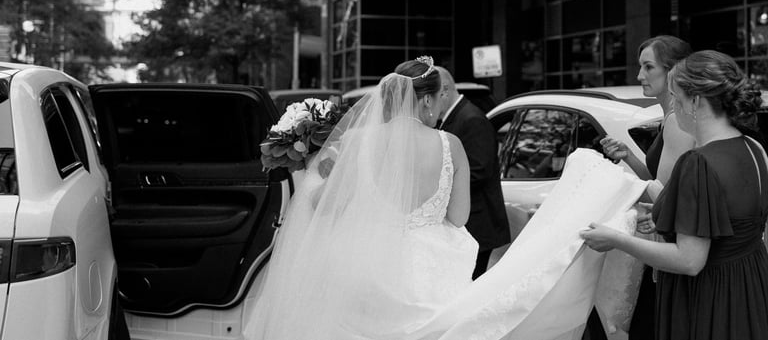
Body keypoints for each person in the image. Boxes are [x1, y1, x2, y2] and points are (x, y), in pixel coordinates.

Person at [243, 55, 649, 340]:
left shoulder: (357, 142)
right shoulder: (448, 144)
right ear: (424, 99)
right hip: (430, 267)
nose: (439, 108)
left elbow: (324, 206)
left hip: (366, 264)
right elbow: (457, 217)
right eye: (438, 99)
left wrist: (318, 176)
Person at [581, 50, 768, 340]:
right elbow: (734, 221)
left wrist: (616, 240)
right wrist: (666, 219)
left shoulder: (699, 163)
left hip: (709, 299)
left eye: (675, 97)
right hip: (750, 288)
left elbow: (689, 260)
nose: (673, 108)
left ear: (695, 101)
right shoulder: (756, 150)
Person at [599, 34, 695, 339]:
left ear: (673, 70)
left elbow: (662, 193)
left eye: (648, 67)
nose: (640, 75)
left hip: (674, 240)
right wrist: (628, 157)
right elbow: (658, 182)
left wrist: (602, 183)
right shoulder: (668, 118)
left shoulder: (677, 121)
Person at [436, 66, 510, 278]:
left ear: (445, 90)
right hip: (466, 220)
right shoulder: (455, 118)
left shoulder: (471, 119)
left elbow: (478, 171)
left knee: (470, 282)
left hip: (477, 223)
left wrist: (436, 187)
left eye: (431, 95)